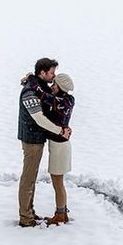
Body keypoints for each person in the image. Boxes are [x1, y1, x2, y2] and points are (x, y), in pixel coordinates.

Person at [17, 58, 71, 228]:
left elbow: (49, 95)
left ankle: (29, 212)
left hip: (37, 138)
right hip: (32, 140)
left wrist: (29, 78)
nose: (53, 77)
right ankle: (26, 217)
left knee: (31, 178)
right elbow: (39, 119)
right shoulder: (30, 93)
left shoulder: (38, 84)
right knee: (28, 178)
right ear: (42, 73)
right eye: (51, 73)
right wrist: (60, 131)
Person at [27, 72, 75, 227]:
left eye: (54, 84)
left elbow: (42, 94)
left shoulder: (58, 101)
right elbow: (47, 93)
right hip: (62, 145)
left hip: (59, 147)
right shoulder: (68, 99)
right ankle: (63, 212)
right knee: (58, 182)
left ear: (60, 87)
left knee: (58, 182)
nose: (51, 86)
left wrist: (31, 78)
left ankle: (60, 215)